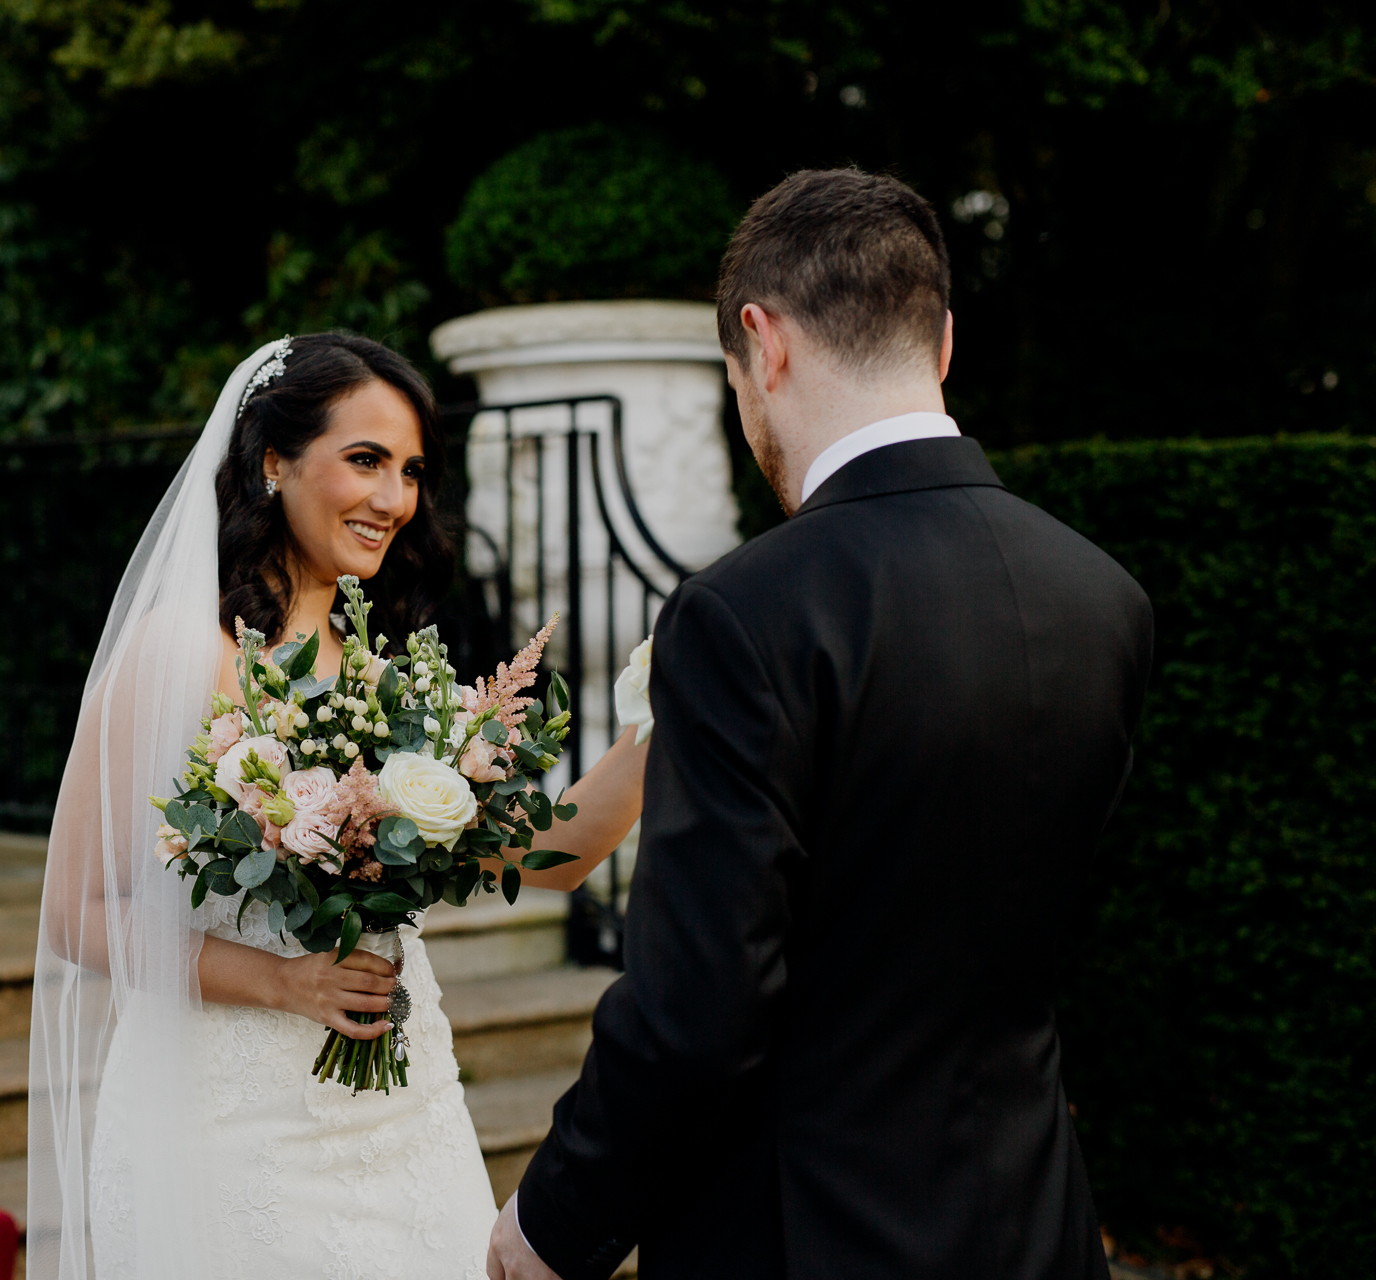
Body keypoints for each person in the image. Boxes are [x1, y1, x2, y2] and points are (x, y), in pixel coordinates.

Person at [487, 169, 1153, 1279]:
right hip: (1036, 1218)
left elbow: (699, 1005)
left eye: (734, 376)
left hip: (806, 1230)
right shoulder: (1102, 595)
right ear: (942, 344)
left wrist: (555, 1215)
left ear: (765, 341)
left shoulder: (744, 614)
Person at [30, 332, 650, 1279]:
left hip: (407, 1113)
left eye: (409, 471)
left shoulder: (386, 676)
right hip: (238, 1133)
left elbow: (545, 858)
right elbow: (77, 915)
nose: (394, 499)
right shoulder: (182, 653)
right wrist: (287, 981)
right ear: (273, 461)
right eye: (365, 460)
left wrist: (671, 722)